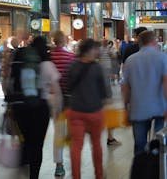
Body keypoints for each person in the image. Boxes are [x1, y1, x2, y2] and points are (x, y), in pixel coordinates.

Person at [9, 36, 61, 179]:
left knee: (26, 140)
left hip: (20, 106)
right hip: (40, 108)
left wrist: (10, 105)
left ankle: (23, 165)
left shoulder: (21, 59)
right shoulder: (47, 65)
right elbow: (56, 90)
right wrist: (58, 109)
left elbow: (9, 81)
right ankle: (34, 175)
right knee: (37, 145)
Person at [67, 39, 110, 179]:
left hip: (75, 111)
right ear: (90, 50)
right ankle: (99, 175)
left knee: (76, 147)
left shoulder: (72, 65)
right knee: (96, 144)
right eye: (96, 49)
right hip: (94, 111)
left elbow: (67, 86)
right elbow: (105, 92)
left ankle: (76, 176)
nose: (98, 51)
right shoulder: (97, 68)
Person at [122, 30, 167, 155]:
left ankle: (141, 170)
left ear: (140, 43)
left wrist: (126, 109)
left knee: (139, 146)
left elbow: (125, 87)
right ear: (154, 41)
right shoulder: (163, 57)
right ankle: (157, 170)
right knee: (159, 145)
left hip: (138, 109)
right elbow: (166, 83)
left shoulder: (130, 61)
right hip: (160, 108)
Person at [49, 30, 75, 177]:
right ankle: (73, 156)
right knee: (72, 130)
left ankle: (59, 165)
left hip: (54, 98)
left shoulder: (49, 56)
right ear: (64, 41)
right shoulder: (70, 56)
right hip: (69, 97)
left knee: (58, 131)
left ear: (53, 41)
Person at [99, 39, 121, 147]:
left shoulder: (105, 52)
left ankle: (110, 137)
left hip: (106, 79)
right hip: (105, 83)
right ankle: (110, 137)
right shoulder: (103, 52)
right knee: (109, 109)